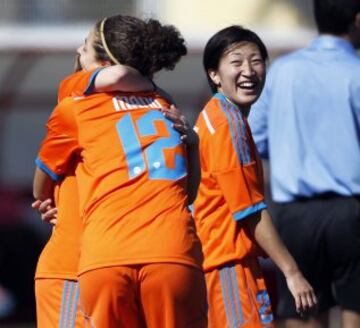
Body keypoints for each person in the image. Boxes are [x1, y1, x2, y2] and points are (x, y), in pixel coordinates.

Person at [33, 14, 207, 328]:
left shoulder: (76, 102)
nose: (78, 51)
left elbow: (41, 183)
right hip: (173, 250)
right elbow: (189, 193)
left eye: (85, 47)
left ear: (102, 63)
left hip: (98, 258)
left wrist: (45, 198)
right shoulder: (166, 108)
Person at [191, 25, 317, 328]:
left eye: (256, 60)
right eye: (236, 62)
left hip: (215, 260)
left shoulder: (215, 114)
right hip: (228, 263)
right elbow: (250, 210)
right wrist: (292, 272)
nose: (248, 70)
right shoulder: (227, 124)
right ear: (214, 74)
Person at [248, 1, 360, 327]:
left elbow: (253, 139)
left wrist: (290, 152)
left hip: (293, 213)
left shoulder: (282, 71)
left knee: (302, 307)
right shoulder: (356, 70)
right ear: (356, 19)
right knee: (355, 307)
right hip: (350, 210)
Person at [32, 46, 154, 327]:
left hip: (107, 270)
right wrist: (47, 199)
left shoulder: (133, 121)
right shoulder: (75, 103)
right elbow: (41, 181)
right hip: (70, 269)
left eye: (85, 46)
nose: (77, 49)